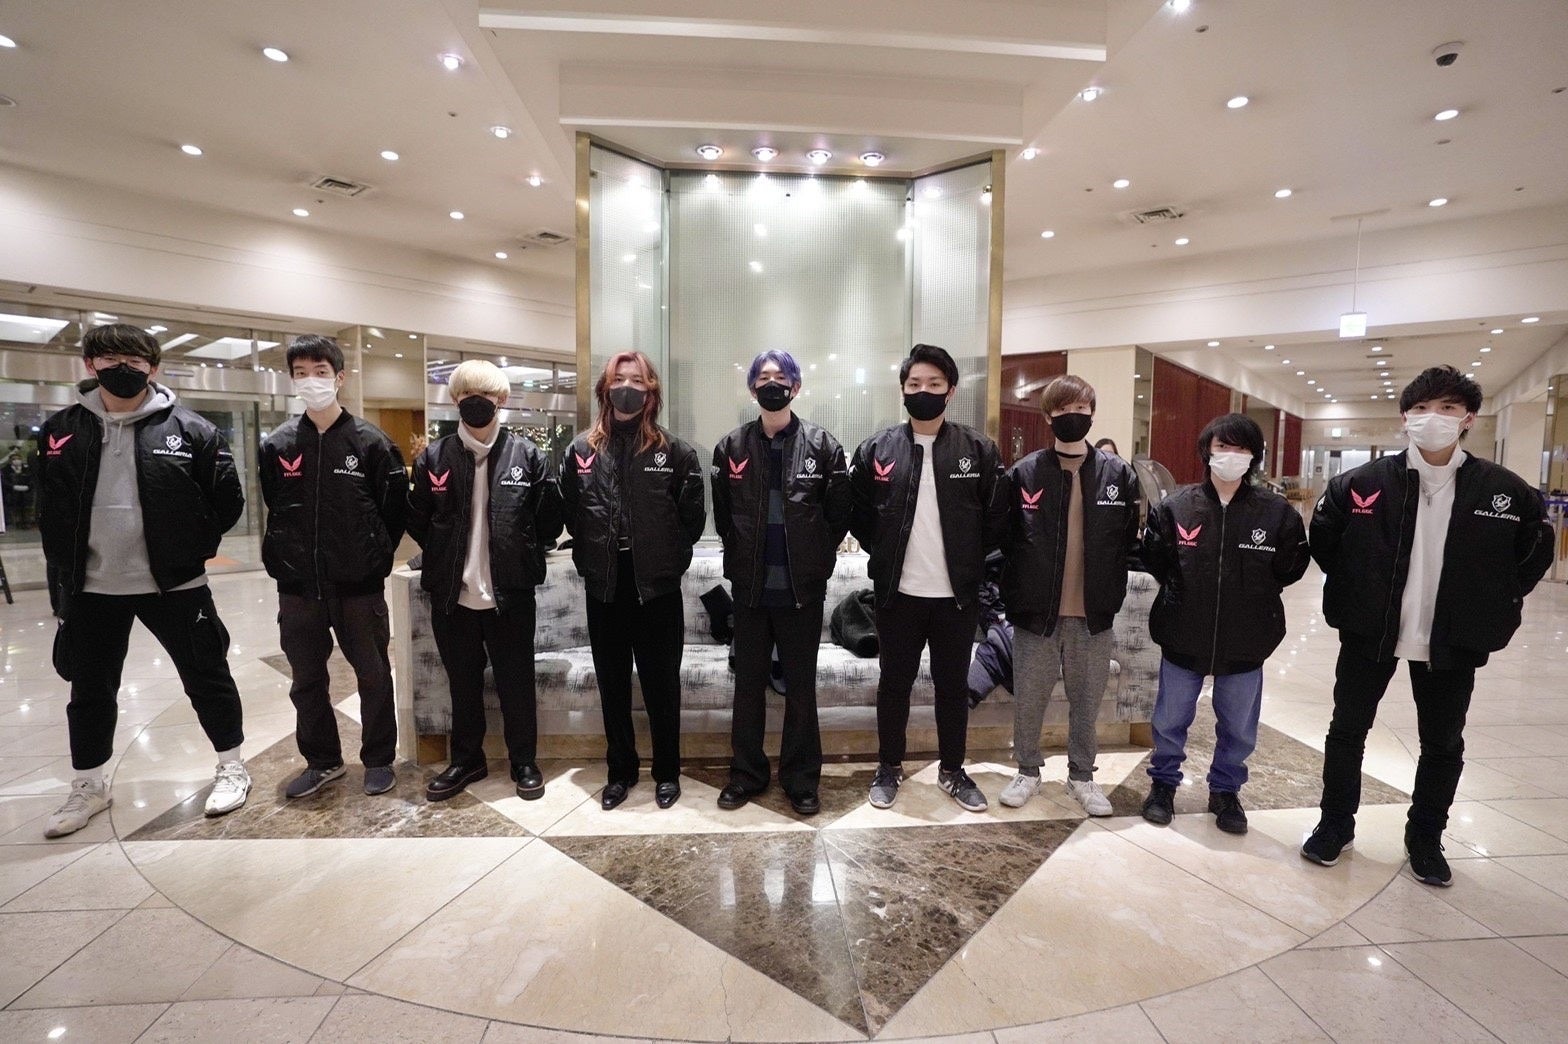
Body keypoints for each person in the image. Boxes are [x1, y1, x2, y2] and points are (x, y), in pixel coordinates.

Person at [1302, 366, 1553, 885]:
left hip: (1453, 637)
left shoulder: (1503, 491)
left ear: (1468, 419)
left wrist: (1494, 600)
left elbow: (1533, 551)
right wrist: (1359, 592)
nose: (1432, 418)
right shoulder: (1362, 484)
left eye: (1447, 408)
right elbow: (1327, 543)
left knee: (1442, 744)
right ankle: (1335, 824)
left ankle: (1425, 837)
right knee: (1347, 730)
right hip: (1371, 630)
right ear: (1404, 418)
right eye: (1420, 408)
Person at [37, 323, 250, 836]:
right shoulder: (60, 430)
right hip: (91, 585)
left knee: (207, 675)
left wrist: (188, 550)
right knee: (90, 688)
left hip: (175, 584)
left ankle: (231, 766)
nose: (123, 368)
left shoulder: (192, 430)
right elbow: (50, 505)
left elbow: (227, 501)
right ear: (90, 365)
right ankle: (89, 784)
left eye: (135, 360)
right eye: (110, 359)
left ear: (153, 367)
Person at [849, 344, 1007, 812]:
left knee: (952, 687)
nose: (924, 391)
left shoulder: (978, 450)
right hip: (898, 594)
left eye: (934, 384)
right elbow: (859, 514)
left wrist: (971, 567)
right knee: (893, 685)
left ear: (950, 391)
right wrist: (884, 554)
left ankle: (953, 770)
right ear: (902, 390)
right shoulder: (877, 450)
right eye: (915, 383)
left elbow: (996, 520)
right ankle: (888, 767)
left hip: (955, 597)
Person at [1139, 413, 1309, 833]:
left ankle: (1226, 790)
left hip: (1246, 638)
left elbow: (1291, 566)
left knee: (1238, 728)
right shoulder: (1176, 507)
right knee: (1170, 720)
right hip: (1183, 632)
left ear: (1254, 457)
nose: (1231, 456)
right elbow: (1156, 559)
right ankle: (1163, 785)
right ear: (1207, 451)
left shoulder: (1275, 512)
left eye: (1241, 448)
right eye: (1223, 447)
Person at [260, 335, 409, 799]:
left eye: (320, 372)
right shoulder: (279, 444)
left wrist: (370, 557)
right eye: (301, 373)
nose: (311, 381)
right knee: (306, 680)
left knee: (373, 675)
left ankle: (379, 759)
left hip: (358, 587)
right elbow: (275, 504)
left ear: (339, 377)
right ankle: (322, 761)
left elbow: (394, 512)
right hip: (298, 587)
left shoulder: (371, 443)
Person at [407, 360, 563, 802]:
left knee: (517, 682)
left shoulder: (528, 456)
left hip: (510, 593)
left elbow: (549, 521)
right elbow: (418, 521)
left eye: (485, 395)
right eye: (465, 395)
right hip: (452, 595)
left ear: (502, 400)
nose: (475, 402)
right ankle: (467, 759)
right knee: (462, 684)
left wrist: (521, 553)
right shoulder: (434, 458)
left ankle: (523, 761)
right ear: (455, 400)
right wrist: (447, 557)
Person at [561, 351, 705, 810]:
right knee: (613, 684)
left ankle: (667, 772)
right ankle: (619, 771)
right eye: (619, 379)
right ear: (605, 389)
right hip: (604, 585)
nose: (627, 387)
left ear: (651, 391)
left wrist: (667, 560)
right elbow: (572, 512)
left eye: (637, 380)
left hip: (656, 588)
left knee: (663, 686)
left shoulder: (676, 452)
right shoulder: (580, 451)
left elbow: (692, 521)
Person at [712, 350, 851, 815]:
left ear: (796, 386)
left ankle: (801, 780)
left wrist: (816, 560)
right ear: (752, 387)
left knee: (801, 689)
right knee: (748, 687)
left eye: (781, 376)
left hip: (801, 592)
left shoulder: (823, 446)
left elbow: (838, 516)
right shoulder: (731, 447)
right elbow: (725, 517)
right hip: (750, 591)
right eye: (764, 377)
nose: (772, 383)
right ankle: (745, 775)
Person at [998, 376, 1141, 816]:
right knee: (1030, 698)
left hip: (1092, 613)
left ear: (1092, 412)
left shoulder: (1118, 474)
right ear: (1048, 416)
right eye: (1062, 410)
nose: (1072, 416)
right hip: (1036, 613)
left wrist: (1112, 592)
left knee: (1086, 701)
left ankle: (1081, 775)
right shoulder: (1025, 473)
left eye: (1080, 408)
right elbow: (1005, 540)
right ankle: (1027, 770)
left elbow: (1126, 542)